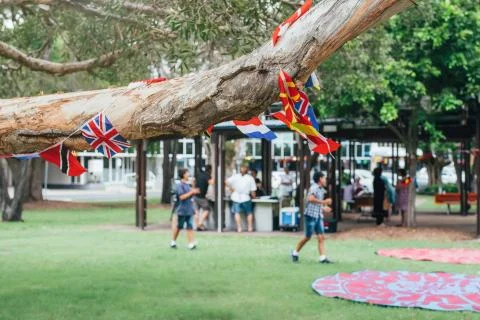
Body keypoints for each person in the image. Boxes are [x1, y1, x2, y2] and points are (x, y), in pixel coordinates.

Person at [291, 172, 333, 264]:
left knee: (321, 237)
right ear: (320, 179)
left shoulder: (321, 190)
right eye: (324, 178)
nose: (325, 180)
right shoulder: (314, 188)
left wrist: (324, 208)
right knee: (307, 237)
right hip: (310, 216)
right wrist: (324, 202)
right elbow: (311, 199)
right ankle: (295, 252)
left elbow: (316, 203)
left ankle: (322, 257)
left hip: (318, 215)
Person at [171, 168, 200, 249]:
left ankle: (191, 244)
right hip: (182, 210)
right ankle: (173, 241)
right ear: (183, 174)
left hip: (189, 209)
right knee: (179, 227)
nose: (189, 175)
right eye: (187, 173)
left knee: (190, 226)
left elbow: (190, 194)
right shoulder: (179, 185)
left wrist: (193, 189)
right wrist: (192, 192)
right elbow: (182, 197)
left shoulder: (187, 185)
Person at [226, 165, 257, 232]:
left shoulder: (236, 177)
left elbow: (226, 181)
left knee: (237, 212)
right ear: (247, 170)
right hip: (246, 197)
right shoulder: (250, 178)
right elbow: (253, 191)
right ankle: (250, 228)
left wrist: (231, 188)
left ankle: (239, 228)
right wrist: (254, 197)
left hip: (236, 197)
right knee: (249, 212)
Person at [194, 165, 212, 231]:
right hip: (202, 196)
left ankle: (197, 226)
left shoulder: (199, 174)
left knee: (196, 211)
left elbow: (194, 181)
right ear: (210, 170)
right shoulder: (207, 175)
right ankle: (200, 224)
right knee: (207, 209)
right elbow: (211, 182)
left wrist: (194, 189)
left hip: (195, 195)